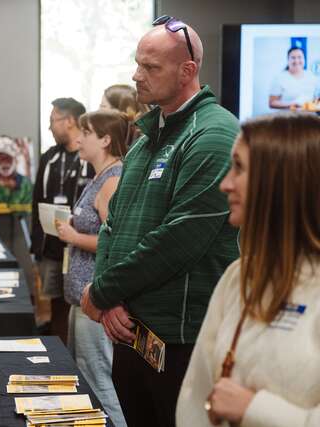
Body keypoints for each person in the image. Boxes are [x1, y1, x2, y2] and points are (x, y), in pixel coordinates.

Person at [80, 18, 240, 427]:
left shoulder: (214, 133)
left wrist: (102, 292)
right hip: (132, 328)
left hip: (182, 337)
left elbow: (181, 237)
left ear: (188, 71)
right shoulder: (150, 137)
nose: (137, 76)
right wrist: (110, 298)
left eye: (151, 67)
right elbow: (113, 228)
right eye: (138, 64)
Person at [176, 112, 320, 426]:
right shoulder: (238, 277)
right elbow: (196, 391)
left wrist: (255, 409)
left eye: (239, 168)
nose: (225, 184)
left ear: (283, 181)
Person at [54, 110, 133, 427]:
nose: (79, 138)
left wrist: (74, 236)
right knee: (83, 376)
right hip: (81, 296)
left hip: (96, 297)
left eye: (86, 132)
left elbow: (116, 242)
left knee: (97, 379)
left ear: (105, 139)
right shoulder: (98, 177)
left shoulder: (113, 180)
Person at [31, 97, 94, 344]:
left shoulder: (90, 158)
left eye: (53, 121)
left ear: (69, 121)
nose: (49, 128)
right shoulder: (49, 158)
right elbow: (35, 201)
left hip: (83, 248)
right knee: (56, 304)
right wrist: (37, 247)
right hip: (51, 247)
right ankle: (59, 353)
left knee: (79, 306)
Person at [0, 137, 33, 210]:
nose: (4, 163)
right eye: (1, 159)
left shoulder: (25, 183)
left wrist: (13, 188)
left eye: (8, 158)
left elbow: (29, 207)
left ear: (15, 160)